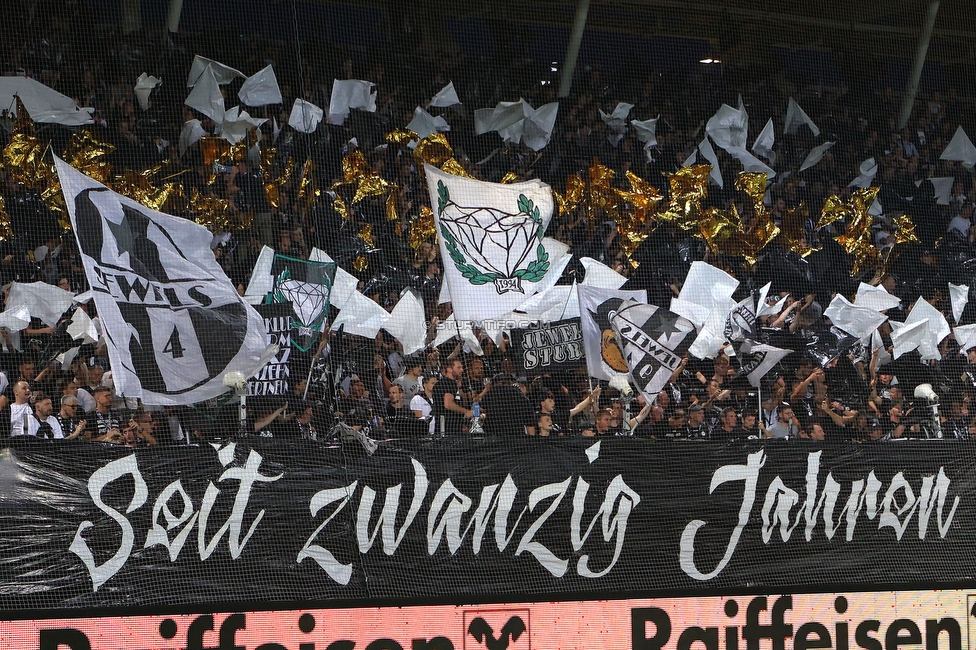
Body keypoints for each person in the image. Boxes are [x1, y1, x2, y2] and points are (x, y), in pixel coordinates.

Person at [432, 359, 471, 436]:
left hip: (449, 425)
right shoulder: (448, 383)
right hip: (447, 427)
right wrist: (466, 411)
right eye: (458, 368)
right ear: (449, 369)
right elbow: (448, 404)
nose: (462, 370)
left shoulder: (448, 383)